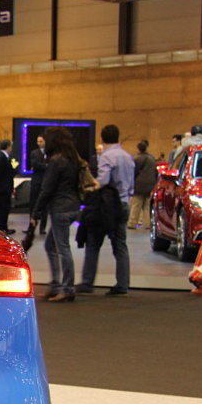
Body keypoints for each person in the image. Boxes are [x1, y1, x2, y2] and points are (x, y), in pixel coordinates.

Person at [78, 125, 132, 296]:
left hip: (107, 207)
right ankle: (123, 284)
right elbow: (131, 184)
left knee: (93, 242)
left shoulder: (107, 157)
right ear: (118, 137)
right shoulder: (127, 156)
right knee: (120, 245)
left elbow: (102, 182)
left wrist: (88, 186)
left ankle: (87, 282)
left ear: (102, 138)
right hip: (124, 203)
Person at [29, 127, 82, 302]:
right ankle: (56, 286)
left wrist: (35, 213)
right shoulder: (73, 159)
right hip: (73, 206)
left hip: (60, 208)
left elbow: (47, 190)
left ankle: (66, 288)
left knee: (62, 248)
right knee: (51, 246)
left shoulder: (56, 161)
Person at [129, 140, 157, 229]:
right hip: (150, 185)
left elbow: (133, 172)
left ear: (138, 148)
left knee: (136, 205)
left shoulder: (136, 158)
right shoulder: (152, 158)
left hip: (139, 185)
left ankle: (132, 223)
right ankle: (148, 224)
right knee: (147, 206)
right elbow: (155, 172)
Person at [0, 139, 16, 234]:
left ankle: (4, 227)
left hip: (5, 188)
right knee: (1, 208)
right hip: (2, 188)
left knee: (5, 208)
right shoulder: (1, 158)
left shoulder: (5, 157)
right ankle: (0, 227)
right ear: (8, 146)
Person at [28, 134, 49, 234]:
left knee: (45, 207)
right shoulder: (34, 153)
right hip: (36, 182)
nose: (39, 143)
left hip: (46, 183)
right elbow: (35, 164)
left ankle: (42, 228)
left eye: (41, 141)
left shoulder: (50, 153)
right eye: (38, 141)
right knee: (33, 205)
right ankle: (31, 228)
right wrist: (46, 166)